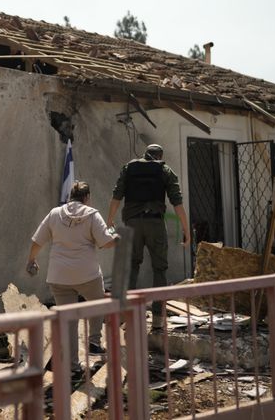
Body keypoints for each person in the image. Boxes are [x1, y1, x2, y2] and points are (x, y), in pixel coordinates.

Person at [26, 180, 119, 373]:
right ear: (87, 198)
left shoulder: (54, 214)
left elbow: (37, 240)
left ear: (70, 198)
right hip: (87, 275)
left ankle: (73, 367)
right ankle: (94, 340)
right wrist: (116, 236)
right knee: (97, 302)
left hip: (59, 276)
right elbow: (106, 242)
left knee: (68, 320)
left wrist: (31, 260)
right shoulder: (92, 215)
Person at [106, 144, 191, 329]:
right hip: (155, 223)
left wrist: (109, 220)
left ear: (145, 154)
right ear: (160, 155)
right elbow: (177, 202)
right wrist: (186, 230)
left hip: (132, 224)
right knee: (159, 269)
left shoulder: (129, 168)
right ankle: (159, 320)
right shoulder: (165, 170)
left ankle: (124, 316)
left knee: (131, 267)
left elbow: (116, 196)